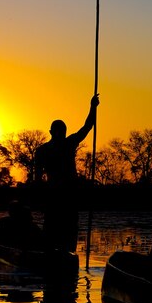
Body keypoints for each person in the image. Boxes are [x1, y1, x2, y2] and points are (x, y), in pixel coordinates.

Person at [34, 93, 100, 253]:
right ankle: (49, 255)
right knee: (51, 228)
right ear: (51, 132)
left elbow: (87, 126)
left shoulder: (69, 143)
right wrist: (41, 198)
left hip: (70, 194)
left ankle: (68, 257)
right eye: (58, 131)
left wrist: (92, 107)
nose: (60, 134)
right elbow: (37, 177)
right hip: (53, 195)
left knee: (70, 228)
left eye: (63, 131)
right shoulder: (42, 151)